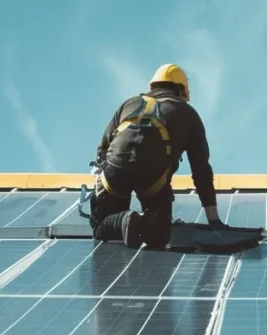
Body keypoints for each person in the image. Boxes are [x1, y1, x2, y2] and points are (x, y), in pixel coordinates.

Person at [91, 64, 225, 248]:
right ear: (180, 91)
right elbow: (201, 170)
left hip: (115, 168)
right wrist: (213, 219)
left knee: (103, 226)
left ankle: (124, 219)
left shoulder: (130, 103)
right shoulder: (188, 114)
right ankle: (148, 222)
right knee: (159, 234)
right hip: (152, 175)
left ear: (153, 86)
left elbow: (103, 149)